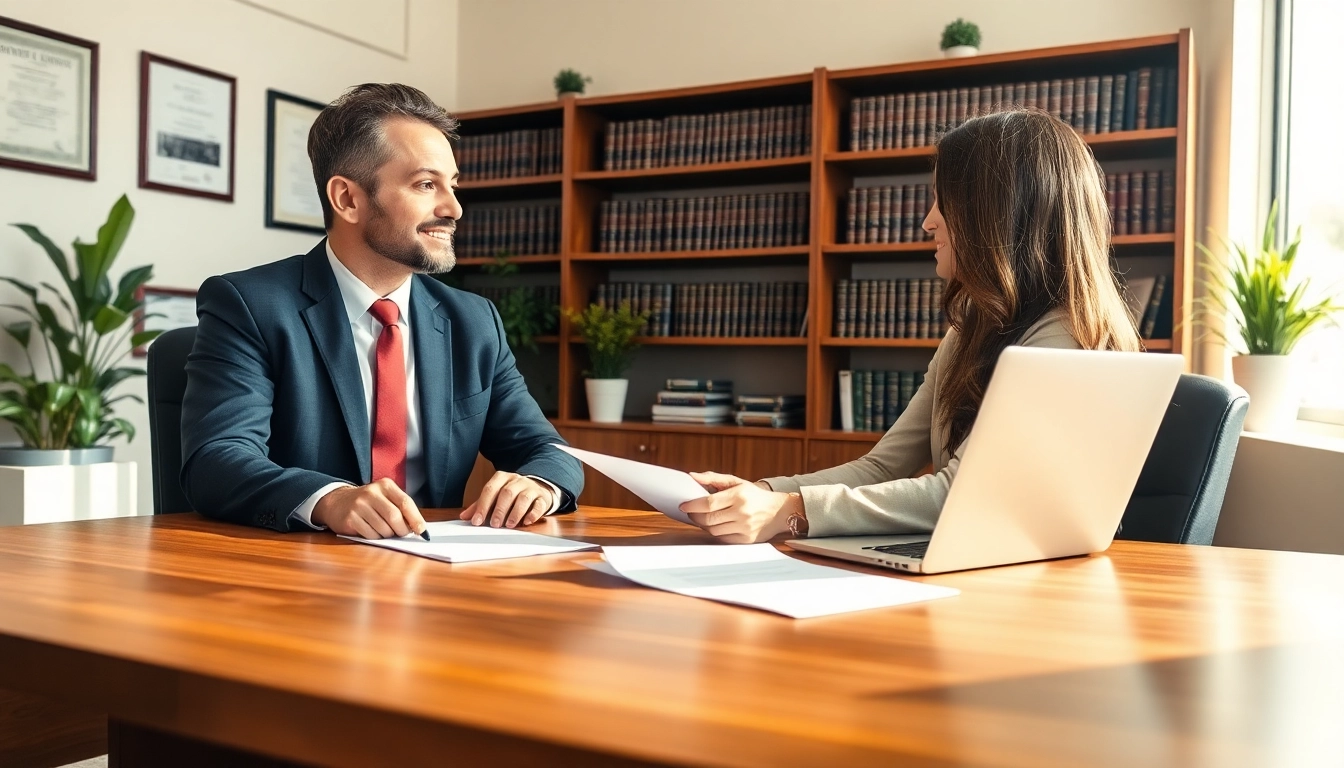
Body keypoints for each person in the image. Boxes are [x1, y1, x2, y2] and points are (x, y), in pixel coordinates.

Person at [681, 108, 1142, 544]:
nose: (927, 221)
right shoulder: (973, 327)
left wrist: (789, 511)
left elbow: (964, 493)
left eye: (944, 202)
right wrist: (762, 492)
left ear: (996, 214)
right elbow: (883, 466)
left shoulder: (1069, 339)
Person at [181, 83, 582, 538]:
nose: (454, 208)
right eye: (426, 184)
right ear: (348, 199)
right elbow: (216, 459)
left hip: (436, 570)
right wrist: (329, 499)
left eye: (452, 185)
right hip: (296, 576)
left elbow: (547, 449)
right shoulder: (249, 305)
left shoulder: (473, 321)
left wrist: (538, 484)